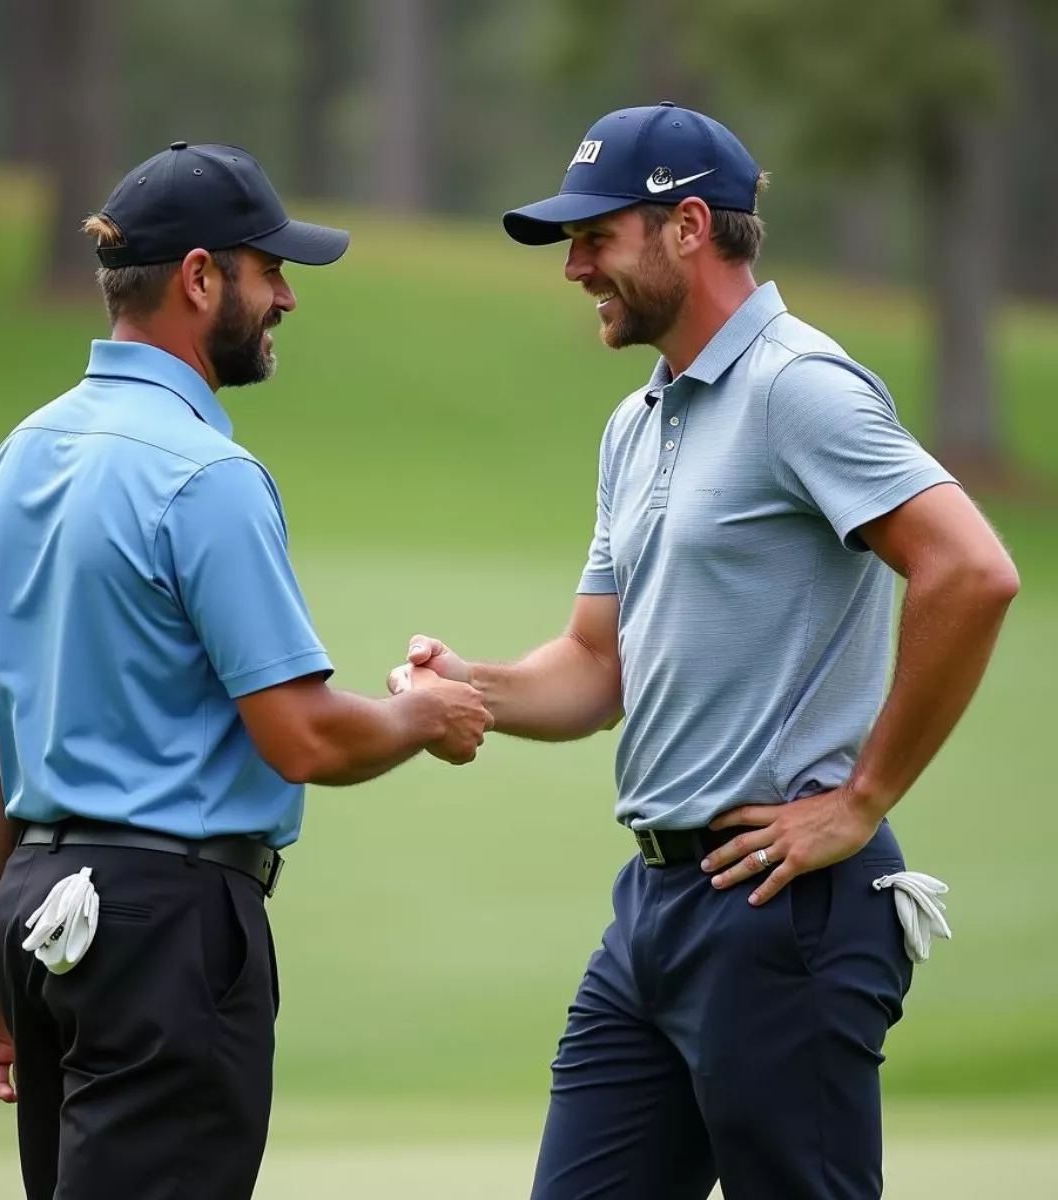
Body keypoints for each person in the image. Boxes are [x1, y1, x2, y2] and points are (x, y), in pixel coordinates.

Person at [389, 104, 1019, 1200]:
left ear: (689, 227)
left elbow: (971, 571)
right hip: (656, 912)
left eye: (597, 237)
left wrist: (863, 799)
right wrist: (470, 689)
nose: (575, 266)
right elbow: (598, 668)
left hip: (787, 911)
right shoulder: (638, 422)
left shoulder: (798, 386)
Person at [0, 141, 491, 1200]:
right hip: (166, 930)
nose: (286, 295)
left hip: (35, 911)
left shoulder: (13, 460)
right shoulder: (208, 476)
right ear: (201, 279)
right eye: (267, 269)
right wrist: (425, 716)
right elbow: (302, 734)